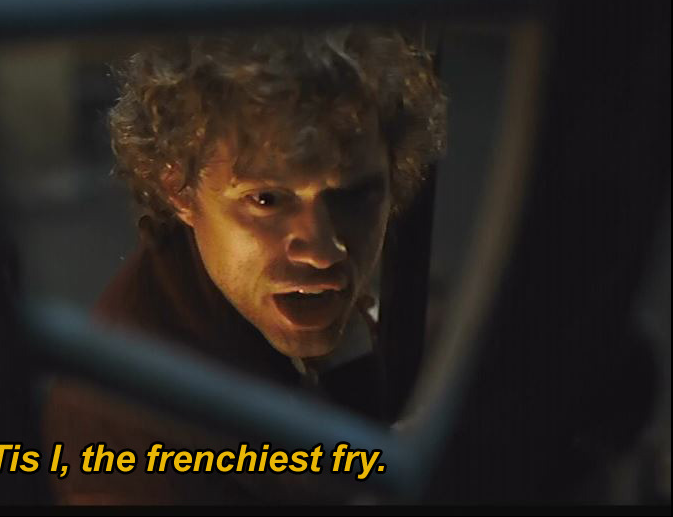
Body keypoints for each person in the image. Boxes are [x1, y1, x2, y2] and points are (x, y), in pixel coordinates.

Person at [42, 25, 447, 504]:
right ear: (179, 189)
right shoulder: (136, 425)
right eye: (267, 200)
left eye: (355, 196)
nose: (323, 250)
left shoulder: (239, 297)